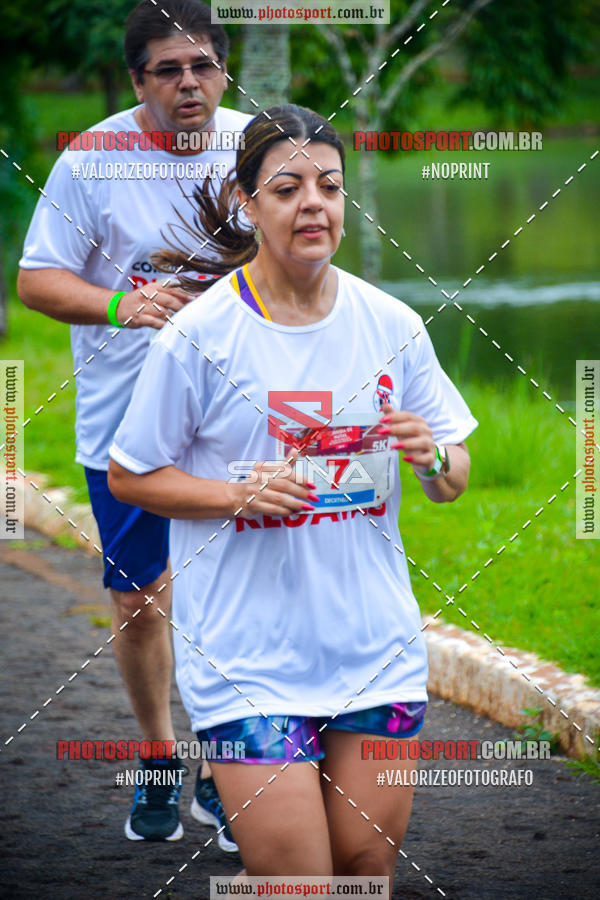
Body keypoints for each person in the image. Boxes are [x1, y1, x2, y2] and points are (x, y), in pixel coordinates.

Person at [107, 104, 477, 880]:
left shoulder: (394, 324)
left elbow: (452, 477)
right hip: (249, 658)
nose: (314, 202)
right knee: (299, 881)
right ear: (248, 203)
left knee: (362, 870)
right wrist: (231, 496)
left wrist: (432, 454)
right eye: (288, 187)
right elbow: (130, 476)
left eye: (330, 186)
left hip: (374, 648)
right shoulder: (199, 337)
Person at [17, 0, 251, 846]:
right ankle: (160, 760)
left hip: (234, 420)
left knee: (238, 601)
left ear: (224, 71)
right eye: (168, 70)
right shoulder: (92, 161)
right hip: (125, 424)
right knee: (139, 601)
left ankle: (231, 773)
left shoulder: (257, 147)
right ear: (136, 79)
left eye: (203, 67)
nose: (188, 84)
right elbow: (38, 280)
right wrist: (125, 302)